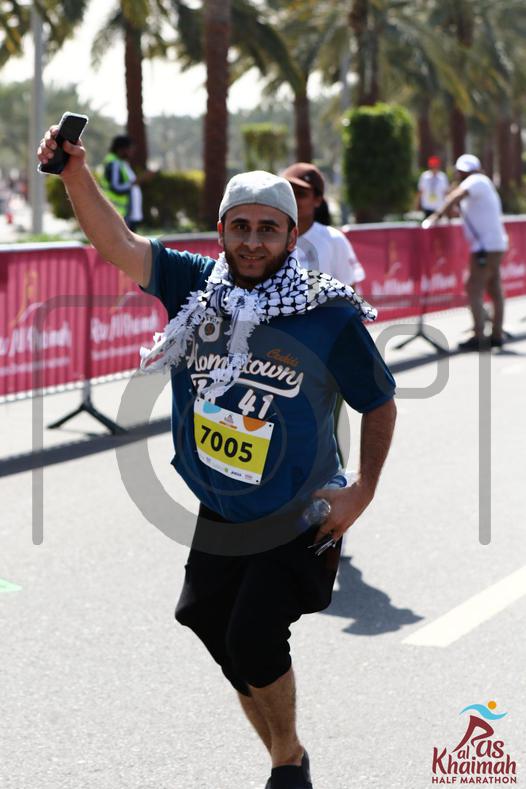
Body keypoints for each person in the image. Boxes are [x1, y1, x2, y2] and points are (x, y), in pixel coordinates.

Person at [38, 125, 397, 789]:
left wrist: (363, 490)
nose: (253, 241)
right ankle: (288, 753)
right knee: (205, 619)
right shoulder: (195, 285)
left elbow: (379, 401)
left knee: (252, 638)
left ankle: (287, 765)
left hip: (299, 510)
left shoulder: (326, 312)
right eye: (241, 227)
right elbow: (116, 242)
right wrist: (73, 173)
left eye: (268, 229)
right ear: (221, 230)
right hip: (221, 505)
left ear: (293, 236)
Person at [425, 154, 508, 350]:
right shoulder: (480, 184)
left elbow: (456, 197)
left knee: (473, 287)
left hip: (485, 247)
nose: (459, 175)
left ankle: (479, 335)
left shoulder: (476, 180)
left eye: (461, 172)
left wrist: (435, 216)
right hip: (492, 245)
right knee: (494, 289)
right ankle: (496, 334)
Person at [281, 162, 365, 287]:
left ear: (317, 200)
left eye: (301, 194)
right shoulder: (266, 238)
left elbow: (349, 292)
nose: (293, 199)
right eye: (289, 193)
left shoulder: (334, 240)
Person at [100, 134, 147, 231]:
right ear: (121, 149)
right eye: (130, 149)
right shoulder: (114, 163)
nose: (132, 152)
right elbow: (116, 187)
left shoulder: (120, 162)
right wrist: (137, 181)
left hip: (123, 214)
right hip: (118, 214)